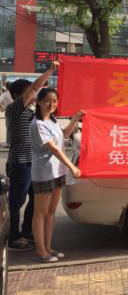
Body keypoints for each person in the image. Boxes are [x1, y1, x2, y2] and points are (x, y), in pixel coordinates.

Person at [5, 64, 57, 251]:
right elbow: (36, 87)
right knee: (16, 203)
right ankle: (13, 237)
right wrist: (50, 71)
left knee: (36, 199)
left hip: (33, 164)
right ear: (19, 95)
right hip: (20, 163)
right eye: (29, 92)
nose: (34, 95)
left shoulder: (31, 113)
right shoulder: (15, 109)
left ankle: (27, 231)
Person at [30, 87, 83, 263]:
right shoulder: (37, 124)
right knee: (40, 213)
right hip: (44, 173)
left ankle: (48, 247)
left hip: (57, 172)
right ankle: (40, 251)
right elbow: (54, 149)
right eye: (47, 100)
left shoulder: (52, 121)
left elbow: (64, 135)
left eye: (54, 101)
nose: (51, 104)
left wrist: (75, 119)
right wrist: (72, 166)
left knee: (50, 212)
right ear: (38, 102)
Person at [0, 82, 13, 147]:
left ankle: (8, 143)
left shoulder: (4, 94)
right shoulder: (15, 94)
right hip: (18, 112)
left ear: (6, 87)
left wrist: (2, 108)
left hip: (8, 113)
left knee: (9, 128)